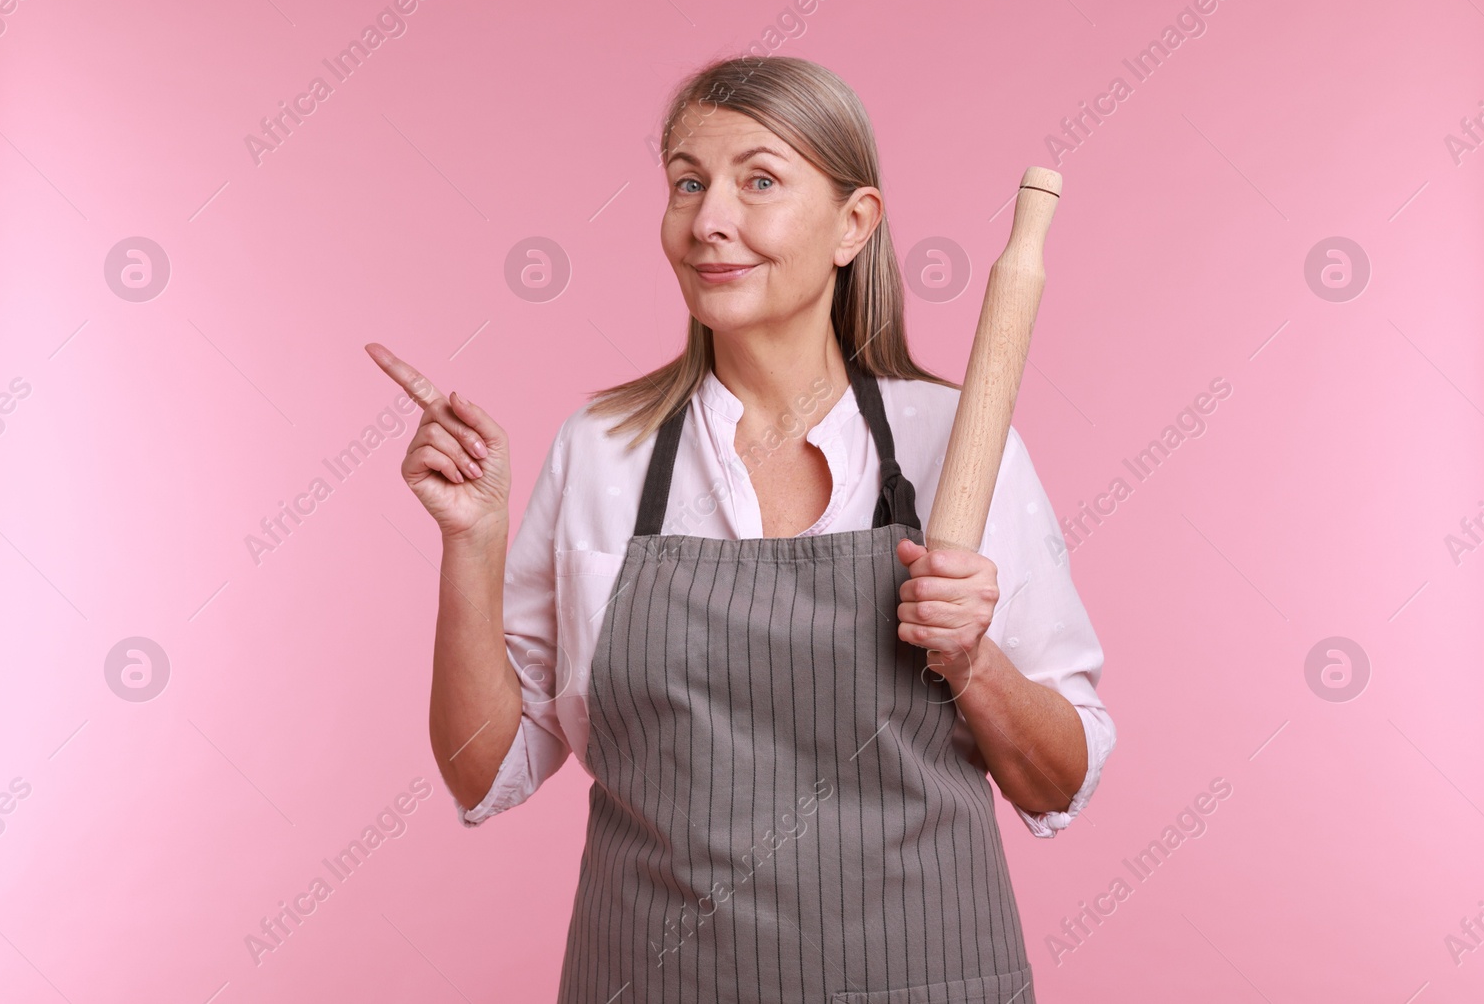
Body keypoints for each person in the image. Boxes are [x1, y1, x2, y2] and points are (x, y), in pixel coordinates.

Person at [367, 55, 1114, 1004]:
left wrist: (973, 662)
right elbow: (486, 770)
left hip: (926, 979)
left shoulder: (959, 442)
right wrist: (470, 540)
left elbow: (1060, 779)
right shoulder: (604, 451)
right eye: (688, 181)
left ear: (855, 223)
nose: (709, 219)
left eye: (759, 180)